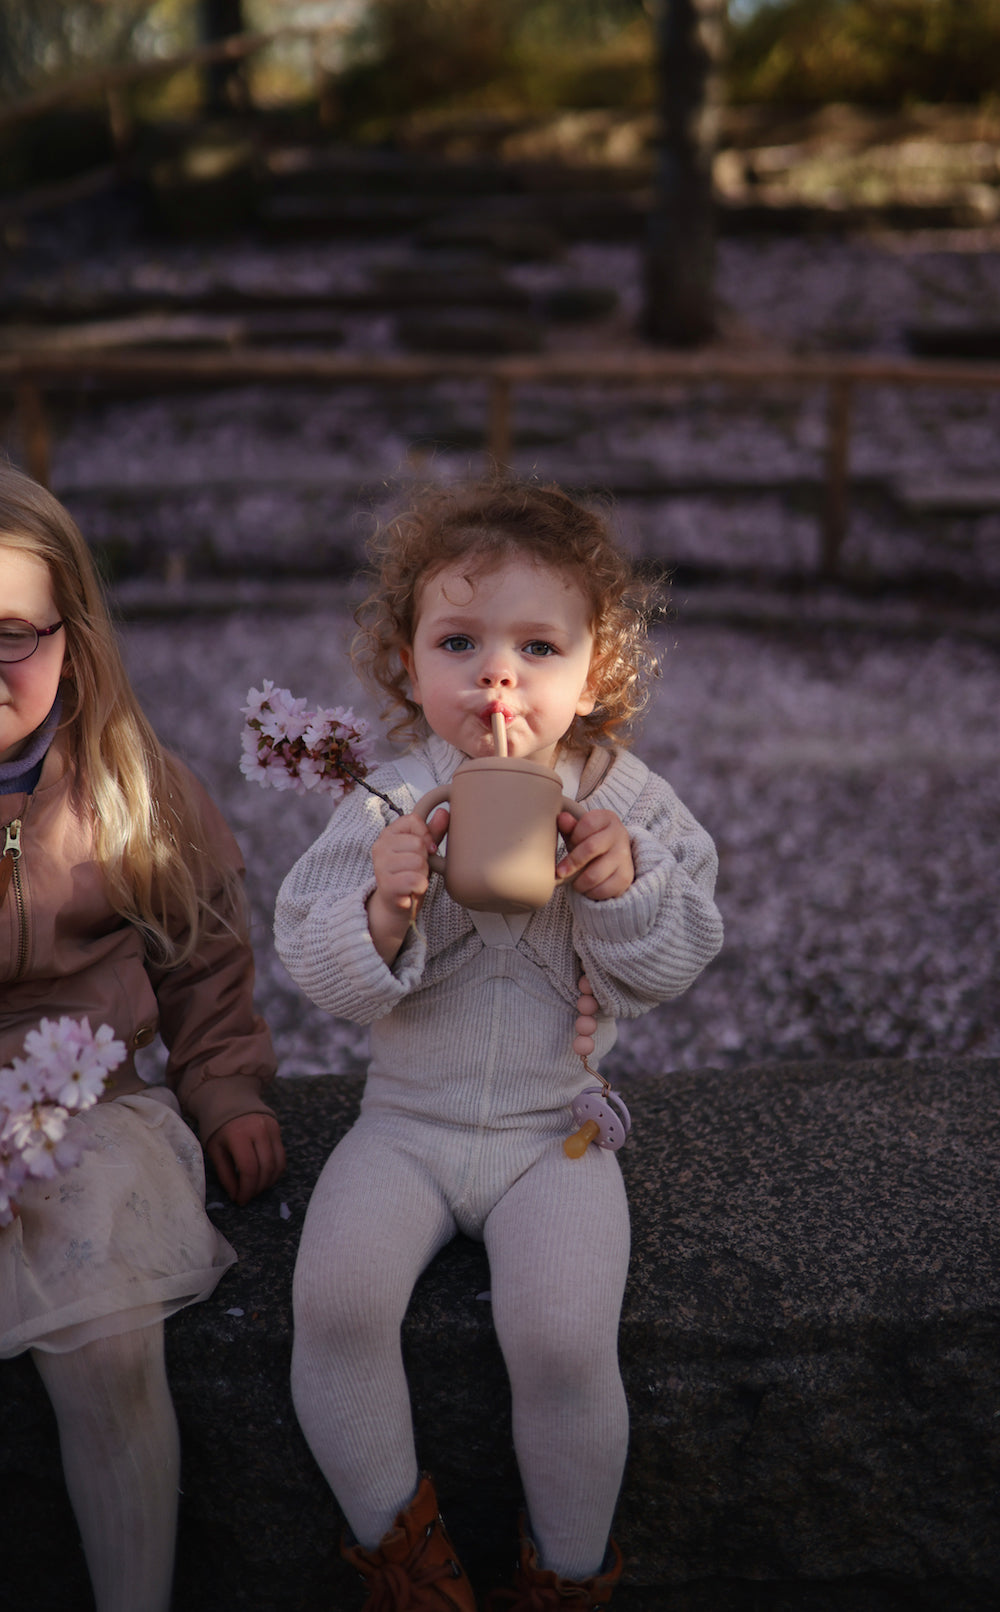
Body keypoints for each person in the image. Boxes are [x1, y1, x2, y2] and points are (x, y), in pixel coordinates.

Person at [274, 476, 723, 1610]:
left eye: (537, 643)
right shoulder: (386, 802)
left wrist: (622, 887)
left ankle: (567, 1576)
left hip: (550, 1134)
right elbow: (310, 963)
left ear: (596, 666)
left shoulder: (633, 804)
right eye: (459, 639)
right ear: (406, 660)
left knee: (565, 1341)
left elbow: (677, 957)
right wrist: (381, 909)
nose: (498, 674)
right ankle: (402, 1556)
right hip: (406, 1125)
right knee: (331, 1306)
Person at [0, 461, 286, 1612]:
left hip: (96, 1110)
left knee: (108, 1343)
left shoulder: (131, 788)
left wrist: (227, 1087)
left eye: (11, 635)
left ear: (74, 635)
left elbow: (203, 952)